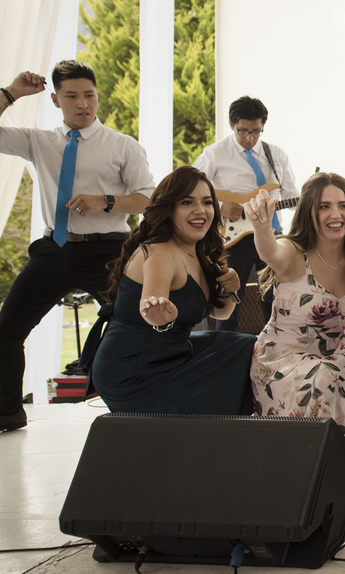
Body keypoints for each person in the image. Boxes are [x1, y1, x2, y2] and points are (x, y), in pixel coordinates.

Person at [0, 62, 155, 432]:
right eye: (71, 96)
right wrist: (12, 93)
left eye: (89, 95)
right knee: (6, 330)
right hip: (54, 250)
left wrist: (106, 200)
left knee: (140, 326)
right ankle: (7, 413)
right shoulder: (40, 141)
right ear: (55, 100)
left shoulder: (123, 145)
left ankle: (142, 406)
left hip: (108, 252)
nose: (82, 103)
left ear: (98, 96)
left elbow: (149, 198)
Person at [244, 173, 345, 474]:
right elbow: (269, 250)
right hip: (282, 357)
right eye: (324, 207)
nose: (336, 215)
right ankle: (309, 472)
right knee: (324, 377)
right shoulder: (293, 252)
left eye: (343, 206)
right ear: (309, 211)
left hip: (335, 352)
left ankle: (342, 474)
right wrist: (261, 227)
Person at [86, 166, 254, 415]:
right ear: (169, 208)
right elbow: (152, 302)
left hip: (173, 355)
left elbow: (222, 314)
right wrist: (157, 314)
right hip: (134, 371)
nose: (200, 210)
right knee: (243, 356)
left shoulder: (201, 254)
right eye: (187, 202)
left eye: (207, 202)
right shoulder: (160, 252)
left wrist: (230, 290)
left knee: (248, 346)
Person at [193, 96, 299, 331]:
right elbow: (189, 187)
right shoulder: (215, 153)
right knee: (230, 301)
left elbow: (292, 196)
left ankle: (275, 351)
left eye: (256, 132)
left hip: (272, 236)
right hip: (234, 240)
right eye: (243, 131)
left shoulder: (276, 155)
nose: (250, 138)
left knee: (276, 302)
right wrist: (220, 207)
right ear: (231, 125)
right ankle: (225, 355)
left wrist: (315, 201)